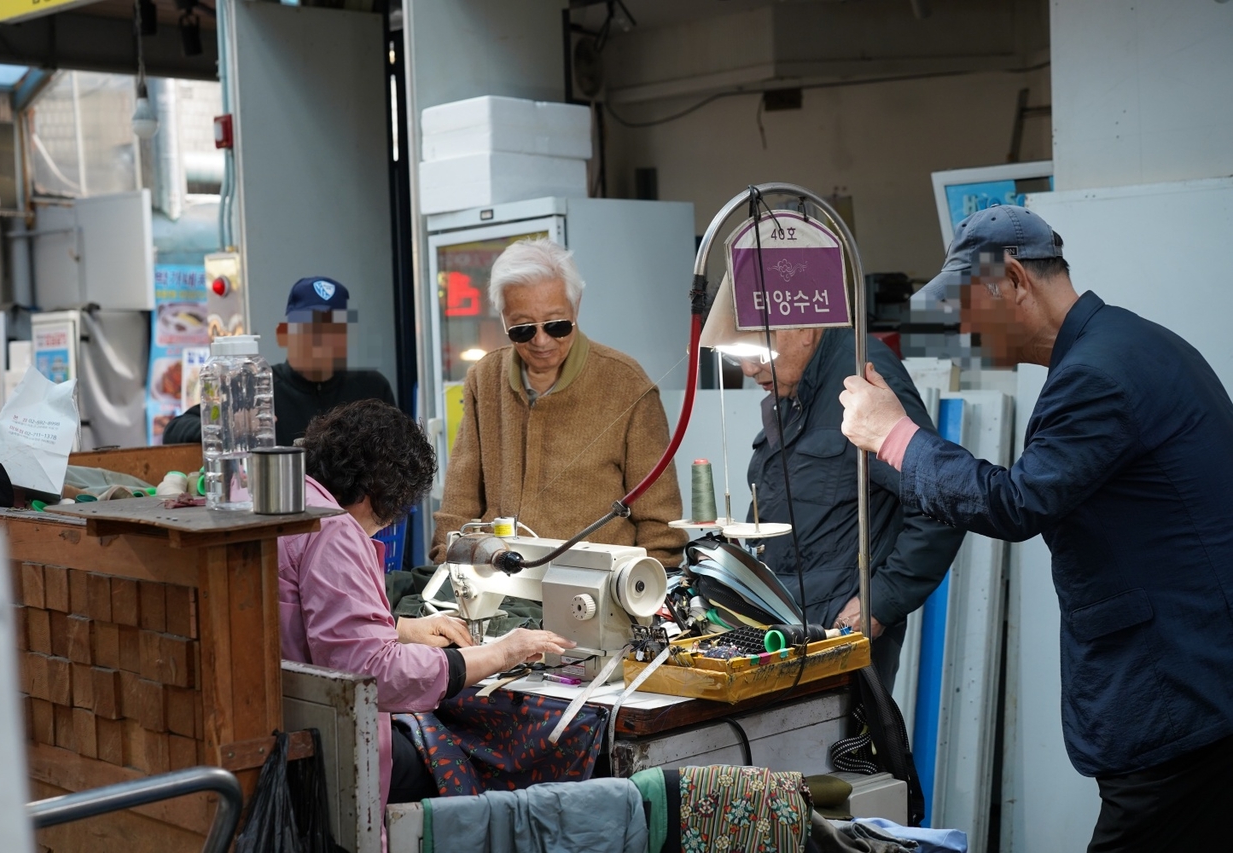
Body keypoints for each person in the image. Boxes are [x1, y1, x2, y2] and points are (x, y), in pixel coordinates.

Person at [837, 205, 1233, 852]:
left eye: (967, 309)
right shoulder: (1130, 344)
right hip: (1196, 687)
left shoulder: (1098, 376)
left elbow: (1016, 503)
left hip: (1177, 703)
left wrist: (895, 438)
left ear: (1014, 280)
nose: (962, 330)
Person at [279, 398, 573, 824]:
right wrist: (502, 654)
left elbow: (307, 615)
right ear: (381, 492)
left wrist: (400, 628)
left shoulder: (295, 500)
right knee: (478, 765)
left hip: (292, 724)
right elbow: (375, 673)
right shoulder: (336, 531)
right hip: (328, 749)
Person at [430, 238, 687, 566]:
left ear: (576, 306)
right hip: (499, 586)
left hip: (595, 592)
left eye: (557, 326)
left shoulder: (626, 384)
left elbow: (660, 526)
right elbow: (458, 507)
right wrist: (449, 571)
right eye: (522, 329)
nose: (541, 341)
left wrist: (640, 593)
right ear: (503, 318)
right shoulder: (485, 378)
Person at [736, 324, 965, 691]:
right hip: (787, 629)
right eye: (739, 354)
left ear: (804, 329)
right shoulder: (797, 392)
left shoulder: (863, 380)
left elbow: (942, 503)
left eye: (759, 352)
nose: (748, 369)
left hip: (839, 636)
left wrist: (878, 604)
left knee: (845, 748)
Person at [162, 276, 396, 446]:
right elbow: (175, 429)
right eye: (310, 327)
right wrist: (230, 425)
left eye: (333, 328)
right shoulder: (255, 387)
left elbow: (401, 455)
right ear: (282, 333)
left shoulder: (371, 389)